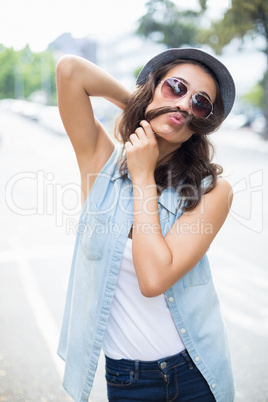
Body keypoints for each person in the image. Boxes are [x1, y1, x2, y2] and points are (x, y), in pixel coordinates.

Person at [56, 47, 236, 402]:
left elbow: (153, 279)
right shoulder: (101, 164)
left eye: (199, 104)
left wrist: (143, 179)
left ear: (202, 122)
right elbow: (70, 70)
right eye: (175, 87)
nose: (185, 105)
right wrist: (146, 108)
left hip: (196, 374)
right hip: (128, 380)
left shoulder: (212, 191)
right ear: (152, 87)